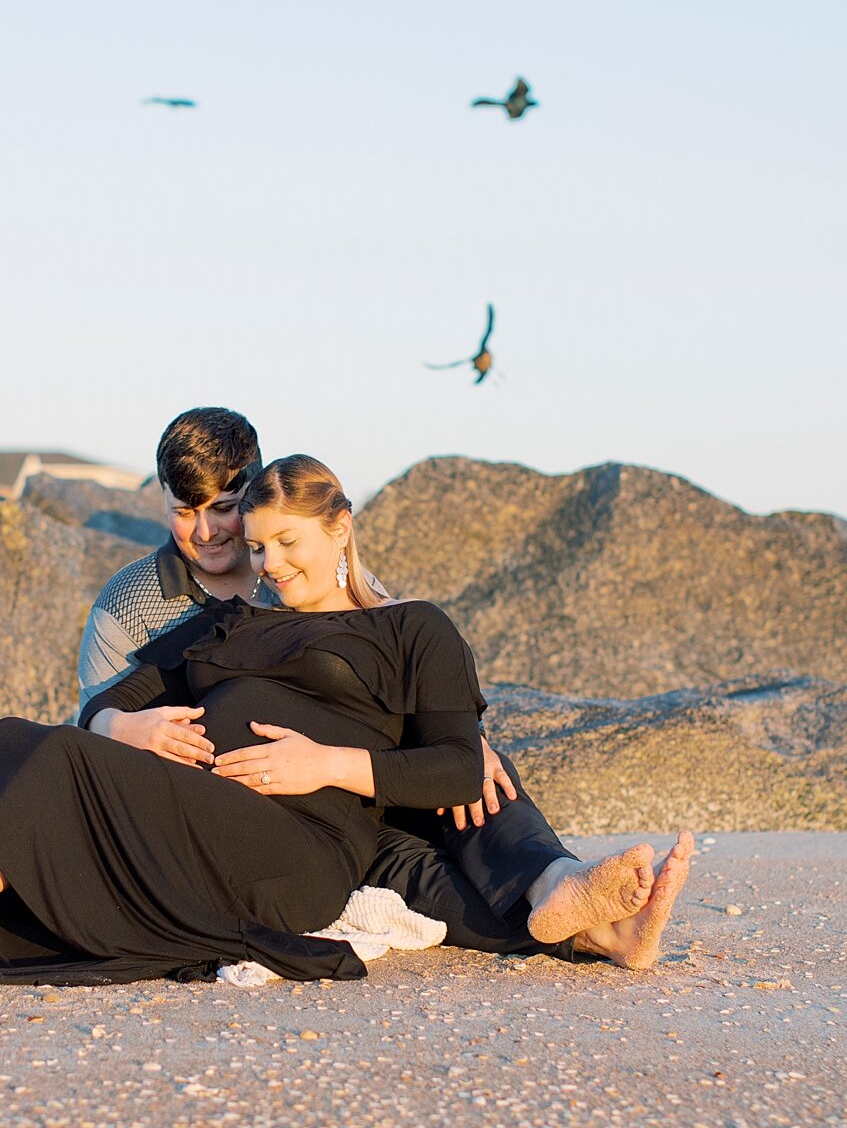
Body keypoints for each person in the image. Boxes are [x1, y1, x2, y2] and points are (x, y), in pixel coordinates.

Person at [0, 456, 691, 983]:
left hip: (300, 852)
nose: (272, 562)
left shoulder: (410, 629)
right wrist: (129, 731)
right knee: (19, 738)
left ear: (340, 529)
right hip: (198, 822)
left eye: (290, 542)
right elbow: (107, 701)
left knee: (57, 763)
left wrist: (328, 763)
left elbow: (451, 768)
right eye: (260, 545)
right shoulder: (229, 622)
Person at [78, 409, 616, 959]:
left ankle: (562, 883)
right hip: (262, 812)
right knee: (412, 865)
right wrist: (123, 725)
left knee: (476, 778)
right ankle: (583, 929)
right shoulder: (129, 605)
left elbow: (395, 653)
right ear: (161, 501)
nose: (207, 531)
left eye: (224, 509)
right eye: (184, 512)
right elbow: (100, 723)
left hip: (358, 772)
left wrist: (461, 732)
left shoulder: (303, 567)